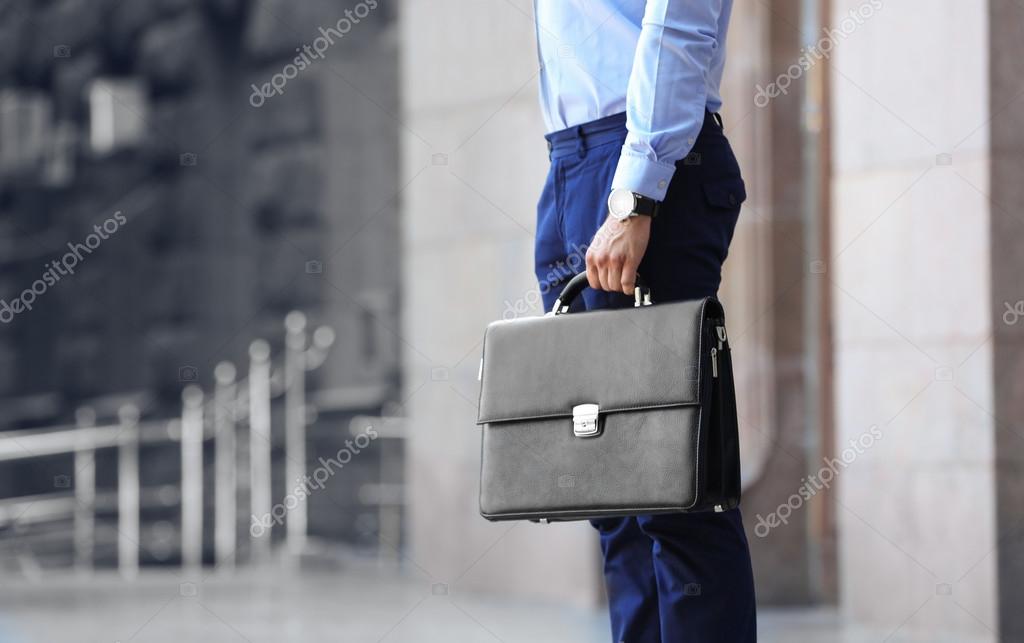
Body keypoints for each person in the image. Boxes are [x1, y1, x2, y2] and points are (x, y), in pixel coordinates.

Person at [532, 1, 757, 640]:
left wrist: (634, 197)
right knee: (614, 494)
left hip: (643, 163)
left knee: (675, 489)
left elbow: (678, 25)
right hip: (572, 164)